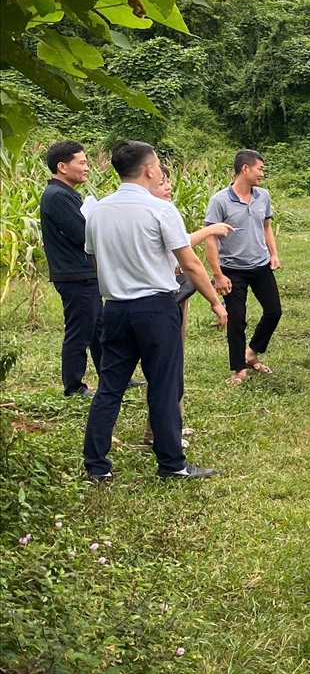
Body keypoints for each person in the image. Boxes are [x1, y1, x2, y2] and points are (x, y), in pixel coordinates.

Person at [82, 141, 227, 483]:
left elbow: (96, 261)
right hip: (155, 309)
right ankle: (171, 463)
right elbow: (190, 264)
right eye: (159, 165)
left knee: (110, 387)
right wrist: (215, 302)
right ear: (149, 169)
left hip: (115, 309)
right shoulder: (160, 210)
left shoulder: (98, 211)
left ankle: (96, 465)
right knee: (163, 386)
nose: (161, 170)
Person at [141, 172, 232, 447]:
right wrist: (210, 231)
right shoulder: (154, 212)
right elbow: (186, 254)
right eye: (161, 182)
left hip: (170, 294)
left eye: (168, 181)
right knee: (165, 367)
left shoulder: (157, 210)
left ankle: (171, 424)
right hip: (161, 299)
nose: (168, 187)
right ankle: (160, 432)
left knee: (173, 364)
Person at [203, 149, 282, 385]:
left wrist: (274, 254)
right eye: (260, 169)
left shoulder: (263, 196)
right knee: (236, 320)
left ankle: (252, 353)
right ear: (245, 169)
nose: (262, 174)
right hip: (232, 269)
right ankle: (239, 368)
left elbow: (266, 226)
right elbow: (210, 238)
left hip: (260, 265)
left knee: (274, 312)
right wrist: (218, 274)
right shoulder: (219, 201)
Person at [39, 140, 102, 397]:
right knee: (80, 331)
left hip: (84, 272)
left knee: (99, 329)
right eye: (82, 162)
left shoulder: (66, 194)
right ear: (62, 167)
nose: (87, 167)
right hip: (75, 273)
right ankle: (74, 386)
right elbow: (81, 234)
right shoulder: (57, 196)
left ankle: (111, 374)